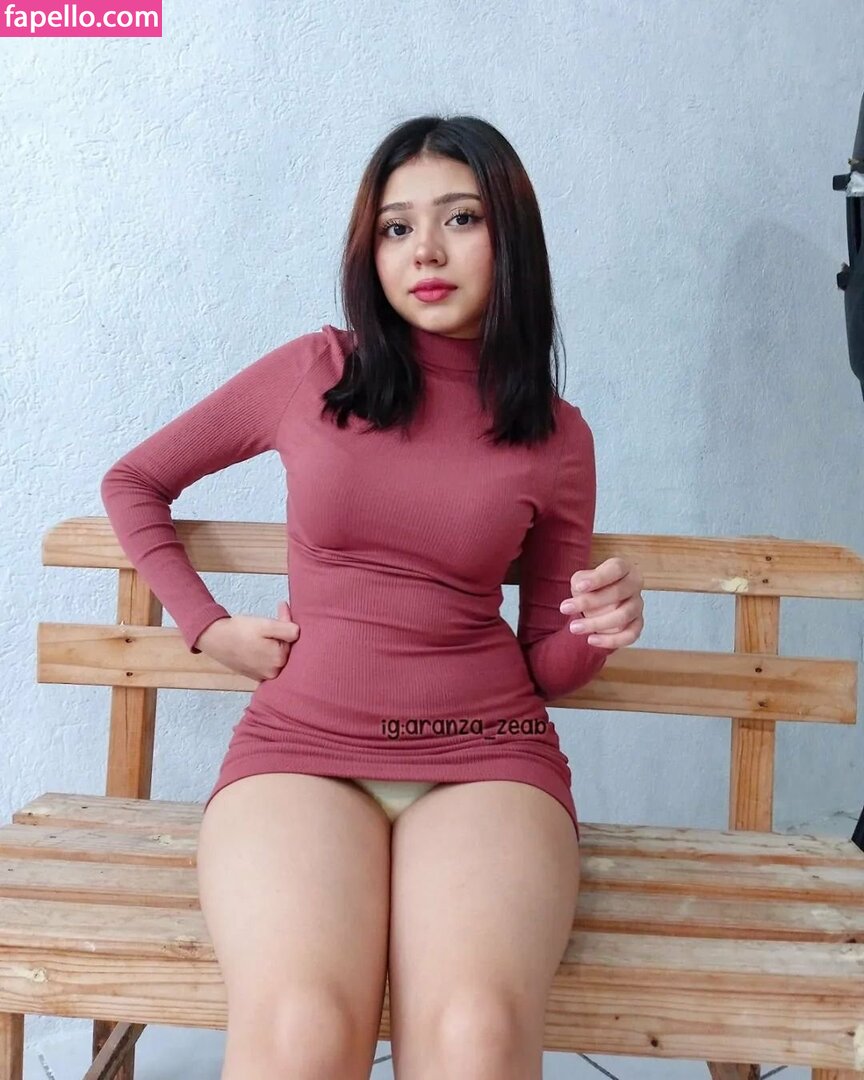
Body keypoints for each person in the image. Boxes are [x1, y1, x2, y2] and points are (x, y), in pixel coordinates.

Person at [100, 114, 645, 1079]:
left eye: (460, 218)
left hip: (486, 756)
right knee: (302, 1027)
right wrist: (207, 627)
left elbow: (548, 666)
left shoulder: (556, 433)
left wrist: (598, 628)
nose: (424, 250)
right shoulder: (316, 372)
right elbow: (134, 481)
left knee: (475, 1033)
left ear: (511, 238)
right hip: (301, 751)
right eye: (397, 227)